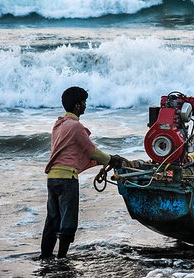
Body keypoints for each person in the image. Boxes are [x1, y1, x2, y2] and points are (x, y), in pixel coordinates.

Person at [40, 86, 127, 259]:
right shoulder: (75, 127)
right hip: (67, 179)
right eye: (84, 102)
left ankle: (45, 256)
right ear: (77, 106)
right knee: (68, 222)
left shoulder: (58, 125)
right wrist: (112, 159)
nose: (85, 105)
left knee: (53, 220)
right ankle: (61, 258)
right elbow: (92, 151)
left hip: (52, 179)